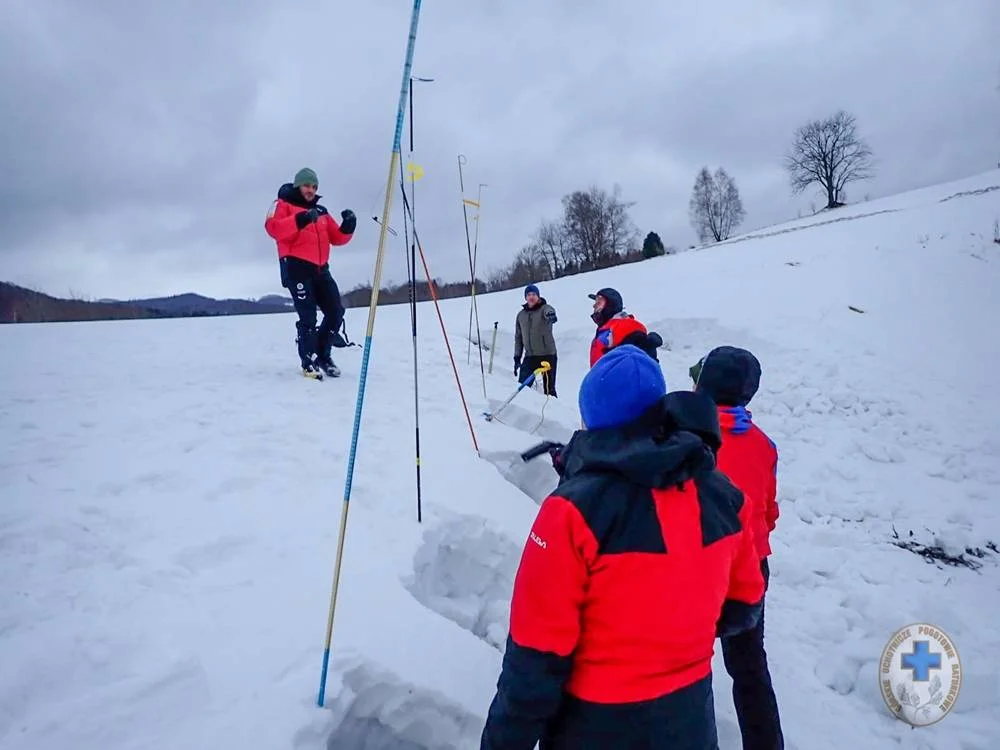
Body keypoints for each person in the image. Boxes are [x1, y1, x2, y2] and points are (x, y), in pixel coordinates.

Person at [480, 345, 766, 750]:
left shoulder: (570, 513)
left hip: (593, 725)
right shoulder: (727, 498)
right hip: (690, 721)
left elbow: (533, 661)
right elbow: (745, 604)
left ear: (591, 420)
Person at [691, 346, 784, 750]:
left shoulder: (687, 438)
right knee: (749, 669)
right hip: (753, 567)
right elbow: (770, 512)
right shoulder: (764, 445)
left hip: (699, 564)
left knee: (688, 663)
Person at [264, 167, 357, 378]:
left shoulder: (321, 211)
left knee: (335, 312)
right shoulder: (282, 205)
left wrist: (348, 227)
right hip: (296, 268)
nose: (311, 190)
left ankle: (323, 355)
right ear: (298, 185)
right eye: (307, 185)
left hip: (321, 270)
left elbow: (337, 238)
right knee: (308, 317)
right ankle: (308, 360)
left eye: (314, 186)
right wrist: (302, 219)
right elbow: (273, 228)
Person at [588, 287, 662, 366]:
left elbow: (640, 360)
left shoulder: (627, 325)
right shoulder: (605, 329)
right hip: (601, 376)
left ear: (610, 305)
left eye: (599, 302)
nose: (594, 306)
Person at [513, 283, 558, 397]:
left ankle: (555, 413)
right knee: (522, 387)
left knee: (549, 390)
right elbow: (518, 338)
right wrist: (517, 357)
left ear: (538, 296)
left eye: (534, 294)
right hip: (530, 356)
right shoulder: (521, 315)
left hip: (548, 355)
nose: (531, 297)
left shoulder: (544, 308)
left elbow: (549, 310)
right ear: (526, 297)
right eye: (528, 294)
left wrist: (551, 314)